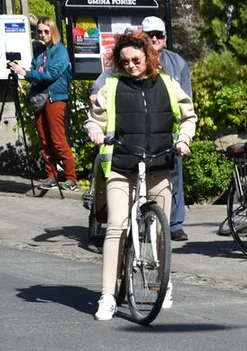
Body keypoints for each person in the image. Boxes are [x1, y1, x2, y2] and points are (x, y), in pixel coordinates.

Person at [85, 30, 196, 321]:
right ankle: (107, 296)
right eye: (125, 61)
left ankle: (164, 282)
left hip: (159, 163)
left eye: (136, 59)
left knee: (160, 231)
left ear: (148, 56)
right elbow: (94, 119)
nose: (131, 65)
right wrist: (95, 131)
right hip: (122, 165)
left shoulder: (168, 85)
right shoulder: (112, 87)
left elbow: (188, 116)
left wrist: (184, 139)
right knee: (117, 228)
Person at [90, 16, 193, 241]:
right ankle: (112, 224)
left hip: (165, 135)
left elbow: (187, 102)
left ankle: (173, 224)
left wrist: (184, 137)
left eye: (159, 34)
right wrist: (97, 101)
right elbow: (101, 86)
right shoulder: (126, 59)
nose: (155, 38)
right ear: (144, 38)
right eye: (151, 35)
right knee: (117, 195)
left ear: (165, 38)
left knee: (172, 177)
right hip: (128, 142)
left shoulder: (177, 63)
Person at [7, 17, 78, 191]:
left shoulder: (60, 50)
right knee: (44, 139)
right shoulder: (40, 51)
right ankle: (51, 176)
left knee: (57, 138)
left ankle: (72, 179)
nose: (43, 34)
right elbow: (35, 69)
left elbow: (50, 75)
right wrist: (24, 70)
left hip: (55, 97)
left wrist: (25, 73)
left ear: (53, 31)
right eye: (39, 31)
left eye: (46, 31)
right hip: (39, 97)